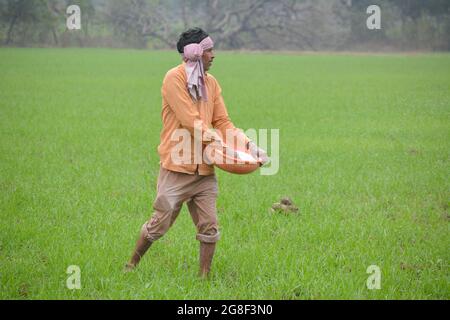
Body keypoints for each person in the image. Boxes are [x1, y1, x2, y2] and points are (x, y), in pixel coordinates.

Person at [125, 27, 268, 277]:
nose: (214, 55)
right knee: (159, 225)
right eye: (209, 50)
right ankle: (131, 265)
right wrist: (219, 143)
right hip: (176, 168)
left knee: (210, 227)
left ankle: (203, 279)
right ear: (194, 52)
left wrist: (249, 147)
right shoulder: (174, 78)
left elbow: (223, 122)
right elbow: (190, 121)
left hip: (205, 170)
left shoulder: (211, 83)